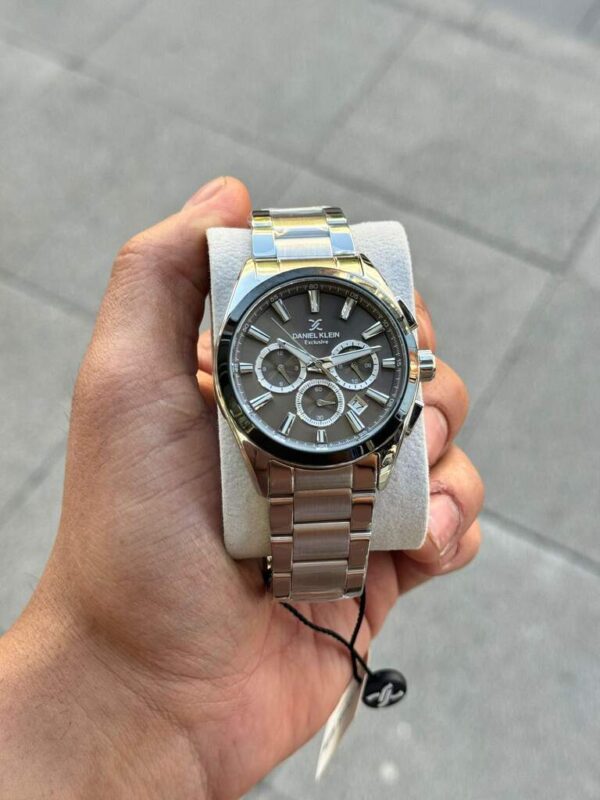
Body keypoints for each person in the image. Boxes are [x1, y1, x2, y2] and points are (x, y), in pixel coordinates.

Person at [0, 177, 483, 799]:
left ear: (411, 369)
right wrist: (118, 670)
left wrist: (119, 688)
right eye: (293, 363)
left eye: (345, 361)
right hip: (284, 455)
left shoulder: (370, 363)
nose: (316, 367)